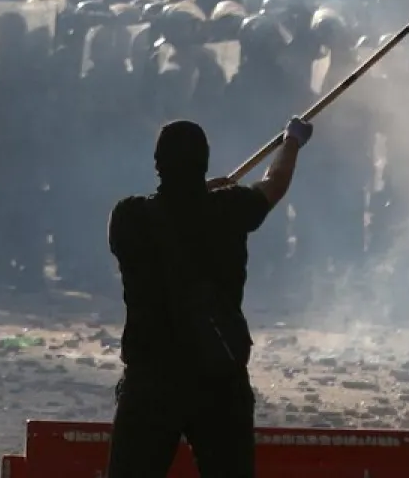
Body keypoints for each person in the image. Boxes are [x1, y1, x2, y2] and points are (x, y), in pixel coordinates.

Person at [105, 116, 311, 478]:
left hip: (151, 377)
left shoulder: (129, 217)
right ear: (205, 162)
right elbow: (273, 183)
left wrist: (202, 194)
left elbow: (176, 210)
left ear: (157, 163)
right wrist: (290, 141)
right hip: (218, 374)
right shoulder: (229, 209)